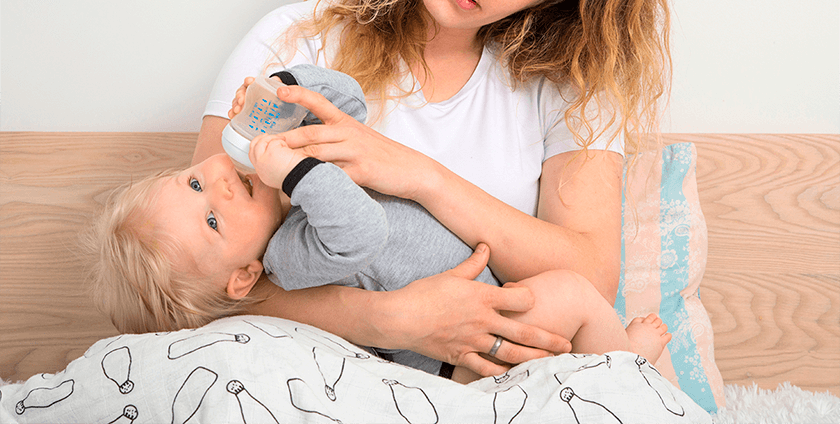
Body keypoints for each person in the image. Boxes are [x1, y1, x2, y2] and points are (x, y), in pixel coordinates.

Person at [190, 0, 671, 379]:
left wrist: (423, 178)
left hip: (499, 384)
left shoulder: (569, 88)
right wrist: (390, 320)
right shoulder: (297, 43)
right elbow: (201, 275)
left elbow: (590, 281)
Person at [87, 64, 671, 384]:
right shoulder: (288, 256)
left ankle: (625, 375)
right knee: (571, 294)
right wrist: (294, 172)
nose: (216, 186)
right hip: (456, 359)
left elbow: (350, 109)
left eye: (193, 183)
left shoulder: (294, 189)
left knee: (569, 314)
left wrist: (288, 91)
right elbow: (362, 231)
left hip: (487, 301)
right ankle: (629, 372)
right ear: (242, 276)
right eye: (213, 220)